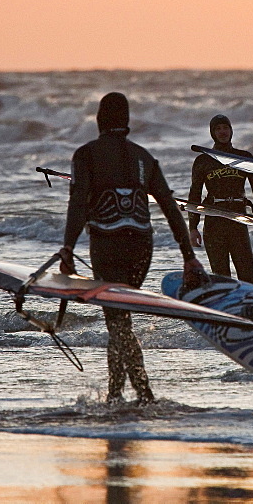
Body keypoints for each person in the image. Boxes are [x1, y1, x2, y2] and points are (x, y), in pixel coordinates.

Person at [57, 92, 206, 406]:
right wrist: (188, 256)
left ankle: (143, 394)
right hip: (142, 247)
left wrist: (67, 248)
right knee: (119, 319)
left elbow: (78, 204)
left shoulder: (86, 154)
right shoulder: (144, 157)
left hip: (107, 244)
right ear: (126, 121)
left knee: (117, 319)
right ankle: (116, 394)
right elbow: (169, 206)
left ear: (99, 119)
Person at [188, 114, 253, 283]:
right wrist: (193, 227)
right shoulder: (203, 160)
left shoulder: (243, 157)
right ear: (212, 133)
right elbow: (195, 195)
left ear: (231, 130)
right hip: (214, 222)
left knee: (248, 277)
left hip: (238, 220)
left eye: (225, 128)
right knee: (222, 278)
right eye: (218, 129)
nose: (222, 132)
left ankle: (247, 307)